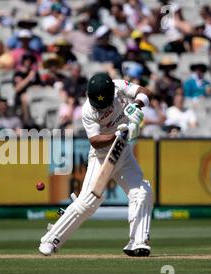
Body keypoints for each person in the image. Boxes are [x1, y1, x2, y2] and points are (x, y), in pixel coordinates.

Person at [39, 73, 154, 257]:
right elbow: (95, 140)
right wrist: (117, 135)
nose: (101, 110)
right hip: (102, 156)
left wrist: (135, 105)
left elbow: (145, 92)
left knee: (141, 191)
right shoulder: (87, 110)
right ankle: (50, 239)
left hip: (122, 152)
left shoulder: (119, 87)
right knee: (88, 202)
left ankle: (137, 242)